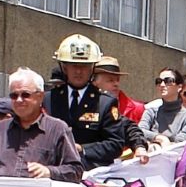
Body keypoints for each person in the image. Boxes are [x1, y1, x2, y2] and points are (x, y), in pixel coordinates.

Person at [0, 68, 84, 179]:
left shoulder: (58, 129)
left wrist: (49, 172)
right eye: (14, 96)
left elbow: (75, 170)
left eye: (25, 95)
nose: (19, 100)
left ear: (40, 96)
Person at [47, 35, 134, 168]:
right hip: (52, 170)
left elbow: (115, 144)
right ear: (64, 67)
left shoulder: (105, 103)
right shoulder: (48, 99)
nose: (78, 71)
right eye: (73, 65)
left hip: (89, 173)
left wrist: (83, 149)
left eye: (85, 66)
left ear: (93, 68)